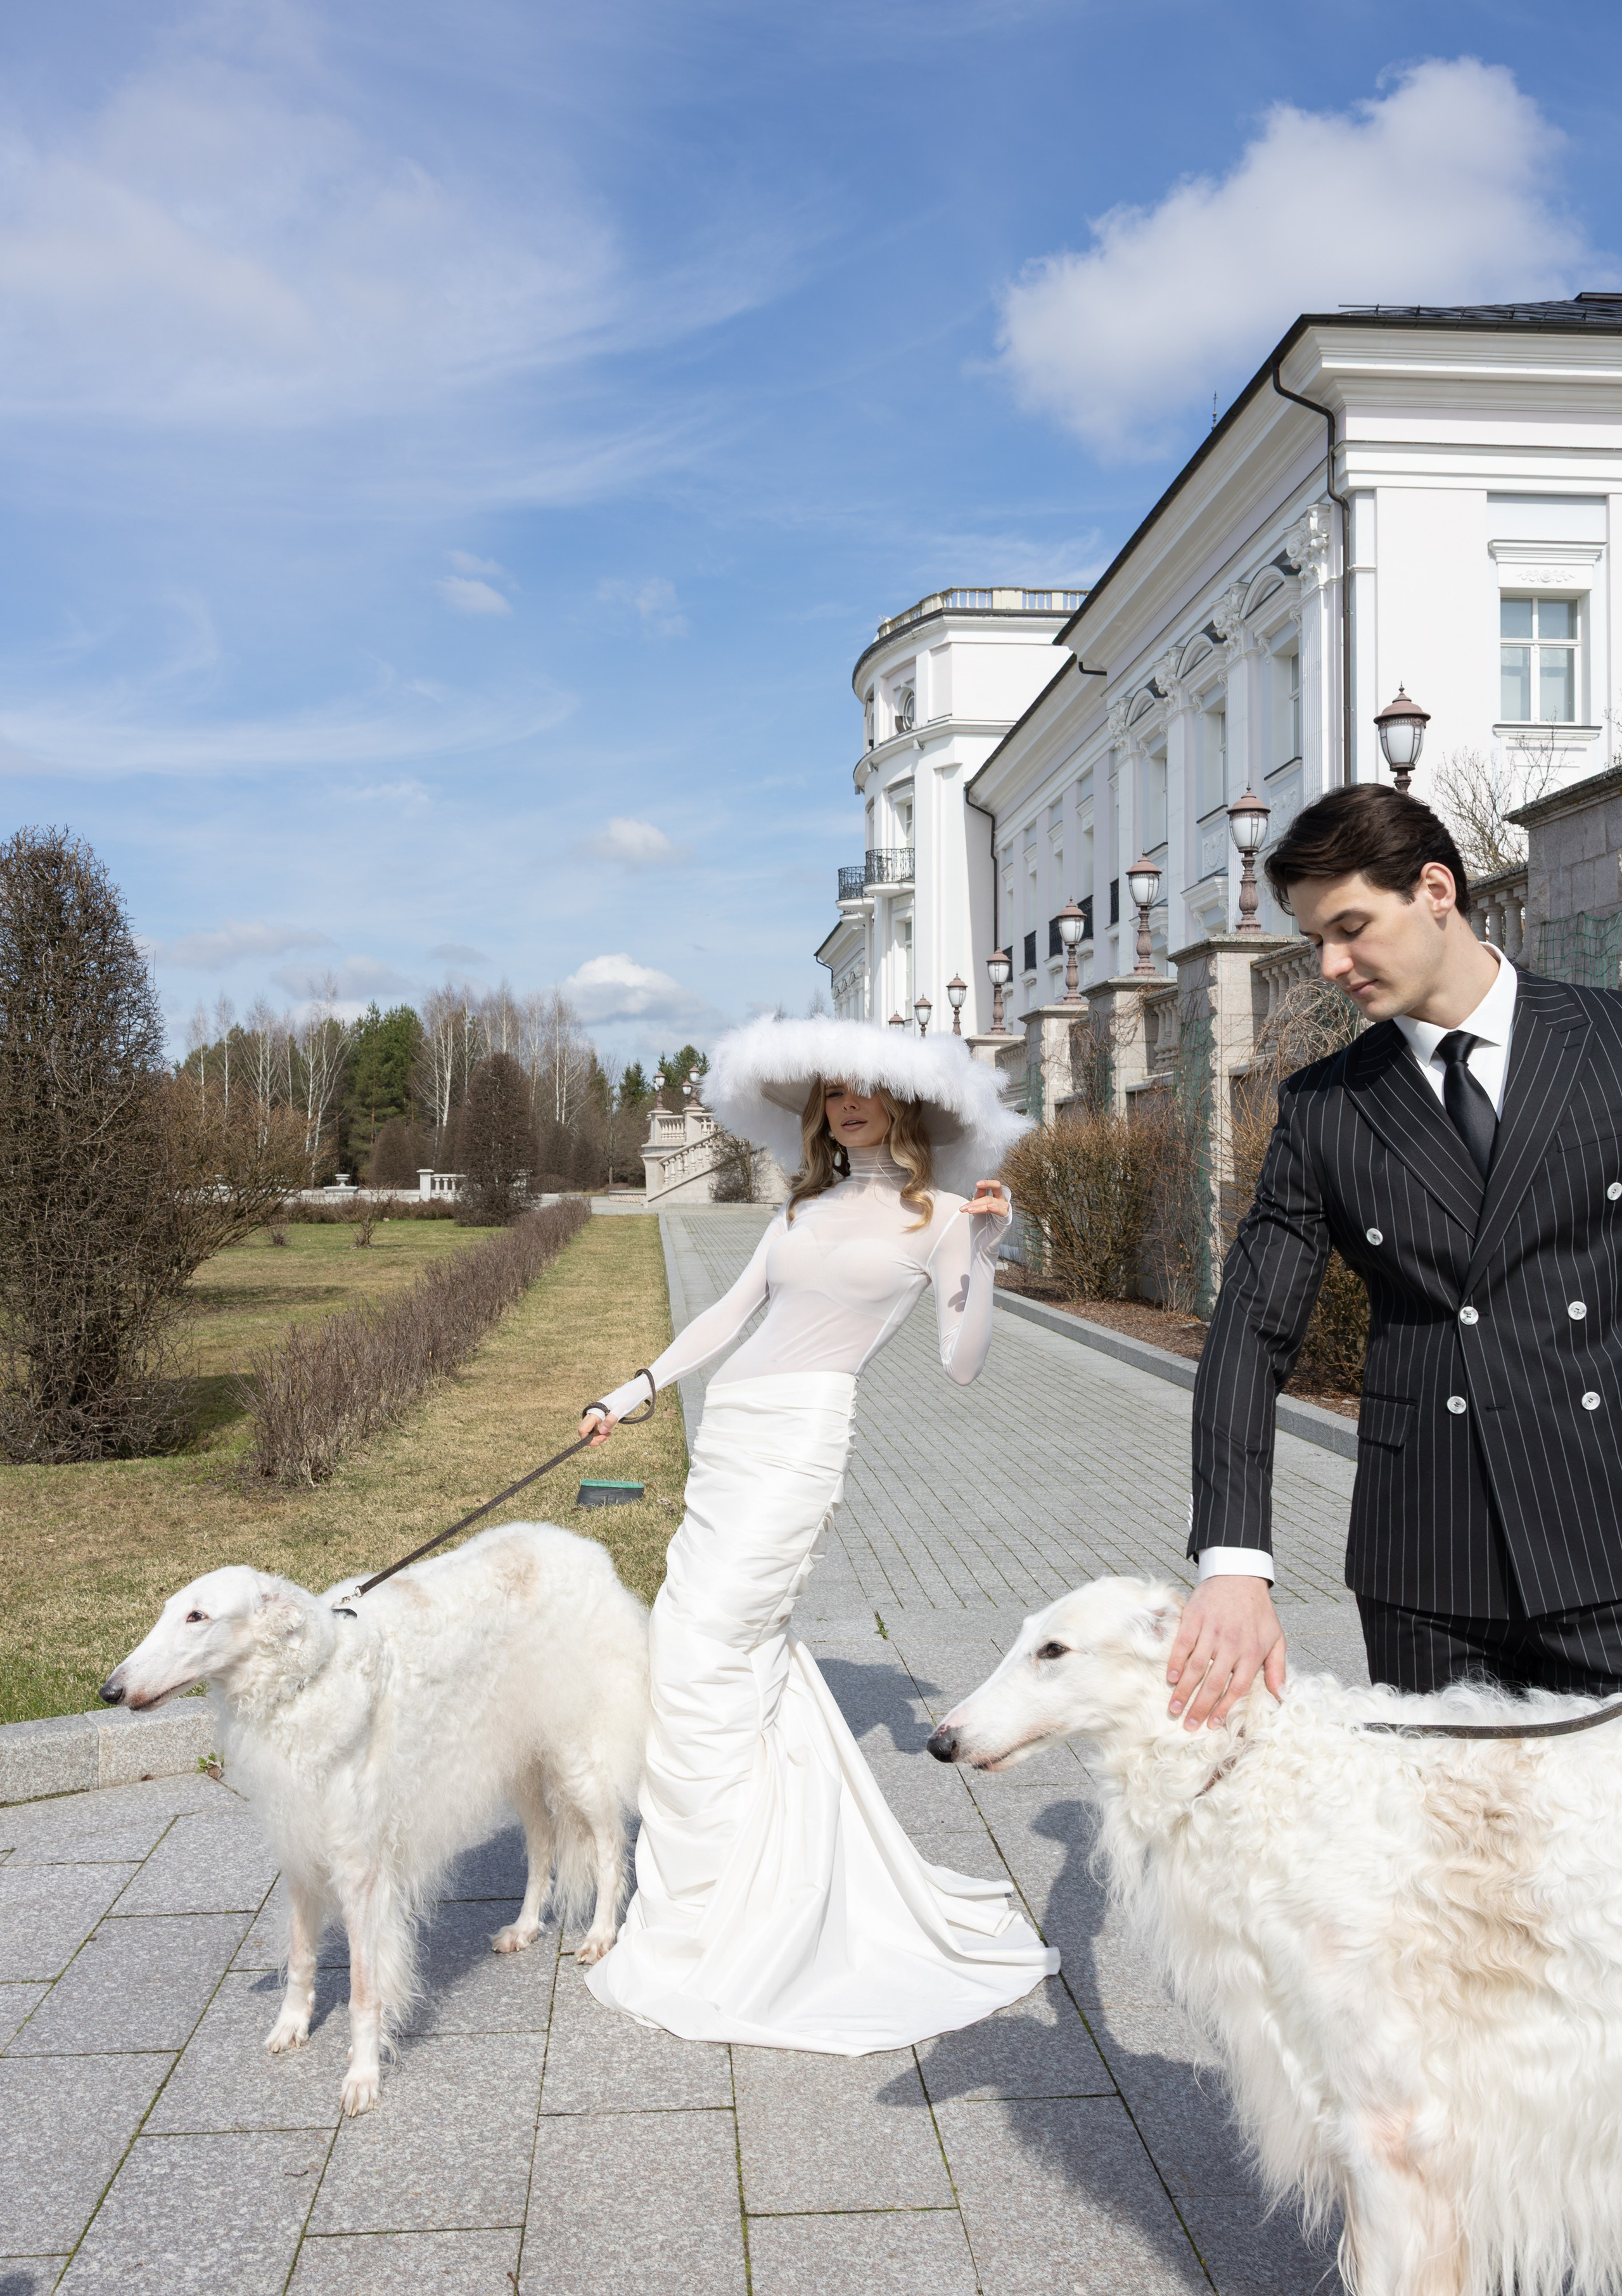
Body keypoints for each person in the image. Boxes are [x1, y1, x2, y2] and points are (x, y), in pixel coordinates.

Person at [576, 1015, 1057, 2053]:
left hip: (799, 1442)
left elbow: (962, 1363)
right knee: (709, 1648)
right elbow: (728, 1316)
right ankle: (752, 1873)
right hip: (730, 1434)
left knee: (706, 1646)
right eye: (834, 1092)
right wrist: (633, 1391)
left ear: (901, 1103)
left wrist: (983, 1254)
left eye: (865, 1090)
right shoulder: (801, 1207)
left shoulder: (939, 1216)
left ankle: (718, 1904)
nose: (849, 1105)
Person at [1170, 783, 1622, 1729]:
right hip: (1428, 1562)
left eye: (1351, 928)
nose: (1331, 966)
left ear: (1435, 890)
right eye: (1315, 941)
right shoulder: (1326, 1105)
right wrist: (1234, 1564)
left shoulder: (1608, 1042)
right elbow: (1251, 1330)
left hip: (1603, 1525)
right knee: (1440, 1826)